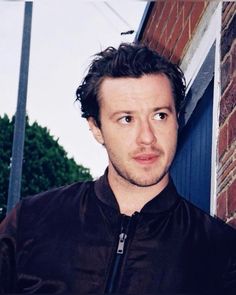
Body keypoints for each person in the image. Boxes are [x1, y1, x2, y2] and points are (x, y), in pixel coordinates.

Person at [0, 43, 236, 294]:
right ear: (96, 128)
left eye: (160, 116)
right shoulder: (30, 221)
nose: (147, 138)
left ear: (177, 118)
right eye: (126, 119)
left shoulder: (221, 252)